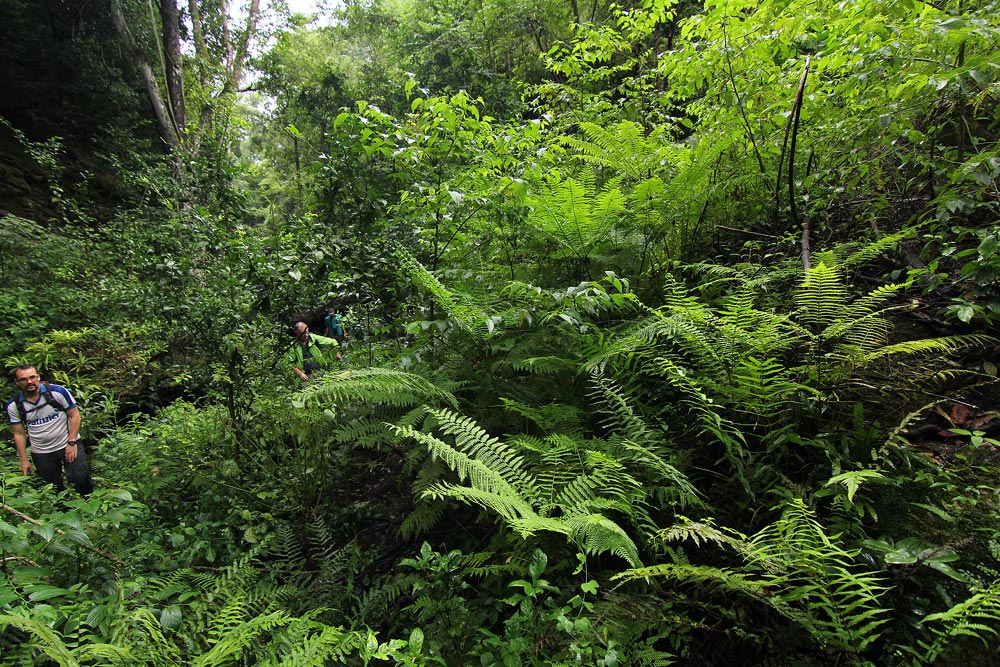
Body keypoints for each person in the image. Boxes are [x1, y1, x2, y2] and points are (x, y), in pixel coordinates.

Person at [5, 365, 93, 495]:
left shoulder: (57, 392)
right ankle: (63, 513)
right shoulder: (14, 406)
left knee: (80, 479)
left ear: (38, 377)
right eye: (24, 379)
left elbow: (75, 415)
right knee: (53, 488)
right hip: (41, 451)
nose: (29, 382)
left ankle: (90, 507)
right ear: (17, 382)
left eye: (32, 377)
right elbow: (19, 433)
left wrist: (72, 442)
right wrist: (24, 460)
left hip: (67, 443)